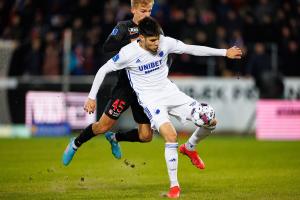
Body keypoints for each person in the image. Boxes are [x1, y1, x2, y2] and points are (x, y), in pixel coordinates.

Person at [82, 17, 242, 198]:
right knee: (171, 135)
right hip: (151, 101)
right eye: (152, 41)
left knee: (210, 121)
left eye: (157, 39)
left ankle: (189, 147)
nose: (157, 44)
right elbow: (103, 69)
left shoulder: (165, 43)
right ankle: (174, 187)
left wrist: (224, 52)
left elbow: (192, 49)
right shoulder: (128, 53)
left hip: (171, 93)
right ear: (140, 38)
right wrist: (91, 97)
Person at [62, 0, 155, 165]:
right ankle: (75, 143)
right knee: (102, 126)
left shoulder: (153, 28)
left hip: (144, 89)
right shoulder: (124, 26)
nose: (146, 15)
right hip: (125, 88)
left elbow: (164, 51)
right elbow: (107, 46)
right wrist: (132, 42)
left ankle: (115, 137)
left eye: (149, 11)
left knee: (146, 136)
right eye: (143, 11)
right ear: (133, 9)